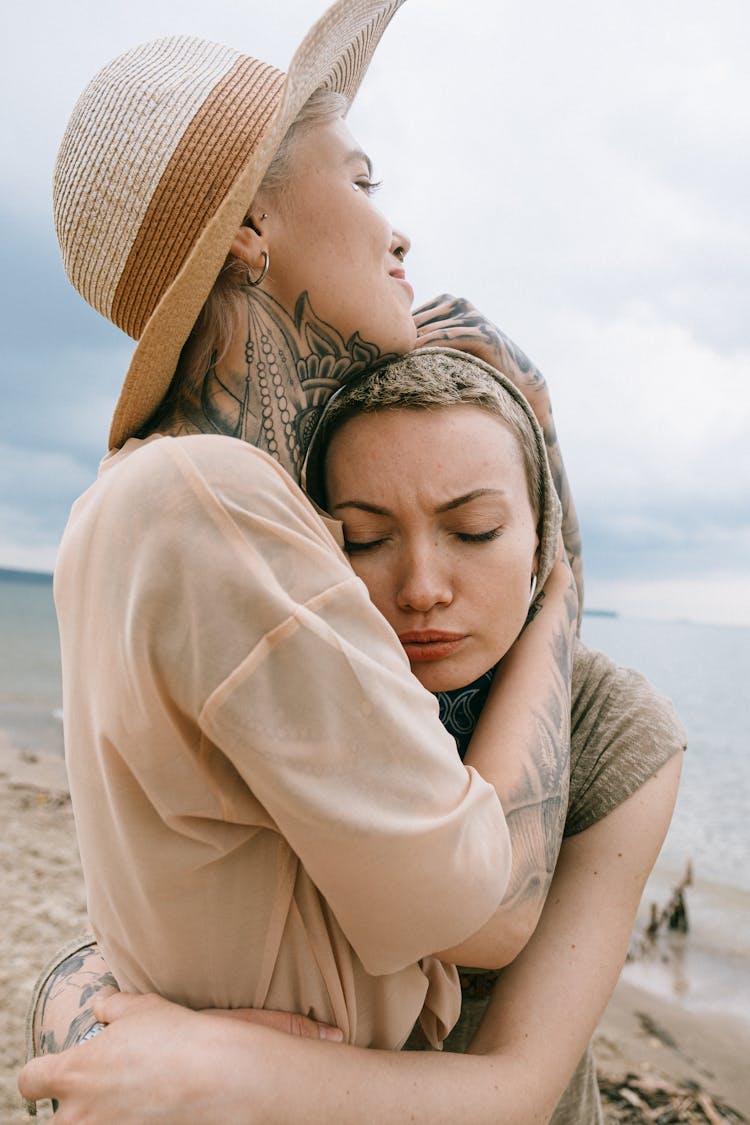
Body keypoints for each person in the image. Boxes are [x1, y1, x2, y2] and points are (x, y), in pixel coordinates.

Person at [18, 1, 684, 1118]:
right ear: (247, 231)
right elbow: (486, 906)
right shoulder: (208, 499)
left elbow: (183, 873)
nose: (397, 231)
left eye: (476, 529)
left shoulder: (158, 503)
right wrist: (566, 590)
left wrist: (97, 999)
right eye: (363, 179)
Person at [21, 349, 684, 1123]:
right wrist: (72, 1011)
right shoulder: (299, 673)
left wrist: (236, 1069)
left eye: (474, 531)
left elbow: (518, 1092)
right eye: (366, 540)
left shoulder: (614, 728)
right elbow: (128, 932)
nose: (423, 588)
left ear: (541, 544)